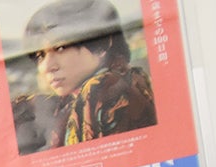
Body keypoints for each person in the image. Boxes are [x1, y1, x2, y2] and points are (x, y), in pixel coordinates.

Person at [12, 0, 157, 154]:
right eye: (39, 56)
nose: (47, 67)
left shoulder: (104, 91)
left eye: (60, 48)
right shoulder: (130, 81)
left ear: (100, 44)